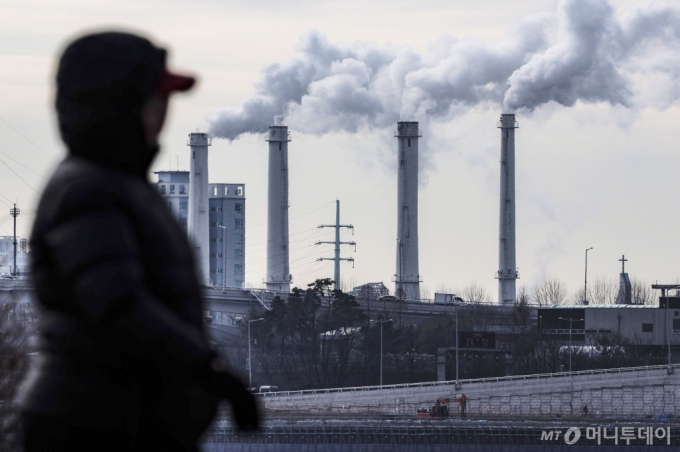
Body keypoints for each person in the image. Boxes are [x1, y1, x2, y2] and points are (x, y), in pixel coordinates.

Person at [19, 31, 259, 451]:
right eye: (155, 101)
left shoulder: (121, 184)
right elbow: (118, 306)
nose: (164, 114)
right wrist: (210, 370)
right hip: (93, 426)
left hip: (119, 421)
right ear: (118, 107)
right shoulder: (88, 190)